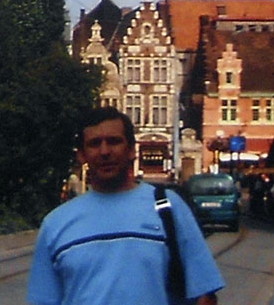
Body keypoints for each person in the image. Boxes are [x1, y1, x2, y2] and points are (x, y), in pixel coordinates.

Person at [27, 108, 224, 305]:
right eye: (95, 144)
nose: (105, 151)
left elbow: (204, 294)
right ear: (82, 155)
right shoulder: (56, 224)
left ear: (131, 150)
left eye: (114, 141)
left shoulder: (167, 207)